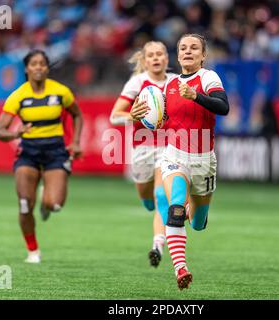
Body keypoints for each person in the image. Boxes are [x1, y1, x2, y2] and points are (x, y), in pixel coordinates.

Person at [131, 34, 230, 289]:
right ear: (177, 55)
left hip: (204, 162)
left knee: (197, 223)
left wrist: (196, 96)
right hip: (174, 157)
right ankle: (181, 269)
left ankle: (196, 213)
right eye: (183, 48)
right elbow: (158, 124)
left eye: (194, 48)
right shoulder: (169, 85)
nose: (188, 51)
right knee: (174, 208)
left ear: (203, 55)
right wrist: (137, 117)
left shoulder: (208, 78)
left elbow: (223, 107)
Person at [0, 49, 83, 263]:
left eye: (42, 64)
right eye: (33, 64)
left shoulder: (61, 92)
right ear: (26, 69)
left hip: (55, 152)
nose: (38, 67)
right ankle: (33, 251)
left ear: (46, 68)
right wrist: (16, 133)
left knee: (56, 205)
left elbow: (77, 115)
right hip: (29, 153)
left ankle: (46, 202)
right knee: (25, 204)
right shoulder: (18, 96)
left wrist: (76, 142)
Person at [110, 41, 174, 268]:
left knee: (162, 196)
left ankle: (158, 244)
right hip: (142, 149)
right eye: (151, 55)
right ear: (144, 60)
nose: (156, 58)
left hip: (169, 146)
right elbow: (114, 116)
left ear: (166, 58)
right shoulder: (137, 83)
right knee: (148, 199)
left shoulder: (176, 83)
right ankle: (148, 203)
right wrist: (132, 116)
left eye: (160, 54)